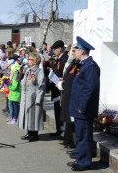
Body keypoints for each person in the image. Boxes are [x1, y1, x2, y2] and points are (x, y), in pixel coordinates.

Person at [67, 37, 100, 171]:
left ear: (82, 51)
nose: (73, 52)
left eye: (75, 50)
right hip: (78, 107)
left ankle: (85, 163)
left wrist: (82, 107)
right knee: (81, 135)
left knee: (84, 136)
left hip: (83, 109)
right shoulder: (83, 65)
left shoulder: (90, 67)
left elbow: (89, 89)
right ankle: (80, 159)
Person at [16, 52, 46, 142]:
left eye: (30, 59)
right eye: (28, 59)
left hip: (33, 98)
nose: (28, 61)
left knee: (34, 116)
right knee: (27, 115)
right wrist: (19, 72)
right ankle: (29, 132)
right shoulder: (26, 70)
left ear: (36, 61)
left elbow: (42, 86)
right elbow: (17, 80)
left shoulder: (39, 72)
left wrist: (38, 99)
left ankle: (34, 135)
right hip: (26, 97)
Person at [49, 40, 68, 137]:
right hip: (56, 88)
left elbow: (63, 75)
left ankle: (62, 132)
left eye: (55, 49)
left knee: (60, 111)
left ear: (60, 49)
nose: (54, 52)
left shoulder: (64, 59)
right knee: (57, 111)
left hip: (60, 89)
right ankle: (59, 130)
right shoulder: (59, 59)